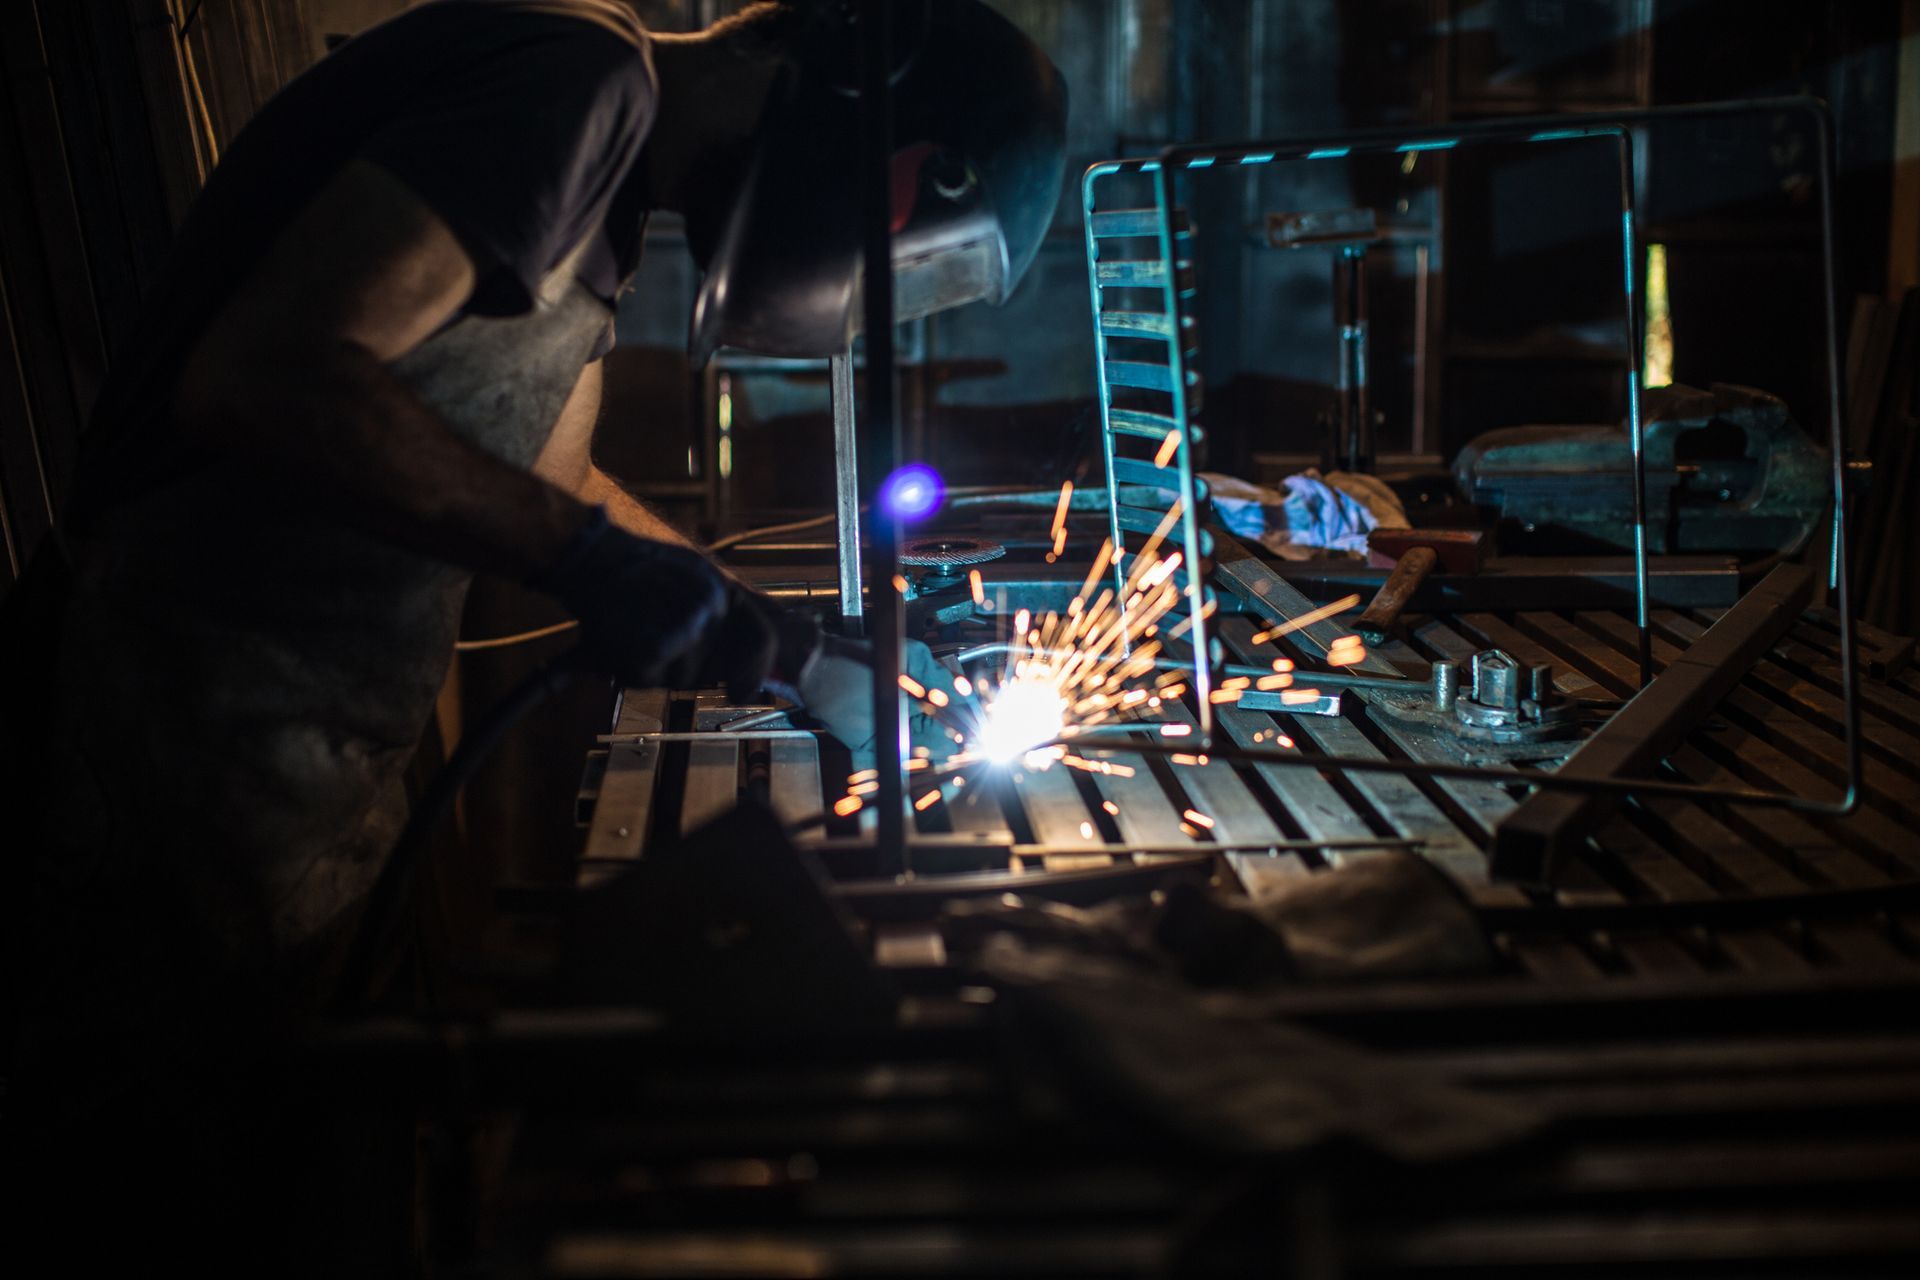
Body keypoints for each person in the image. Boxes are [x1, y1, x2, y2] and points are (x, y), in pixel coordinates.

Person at [0, 0, 1064, 1270]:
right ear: (857, 90)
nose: (872, 254)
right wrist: (587, 562)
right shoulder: (576, 86)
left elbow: (556, 488)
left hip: (280, 781)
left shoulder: (599, 203)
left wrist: (800, 655)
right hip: (149, 757)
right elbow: (266, 372)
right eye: (899, 226)